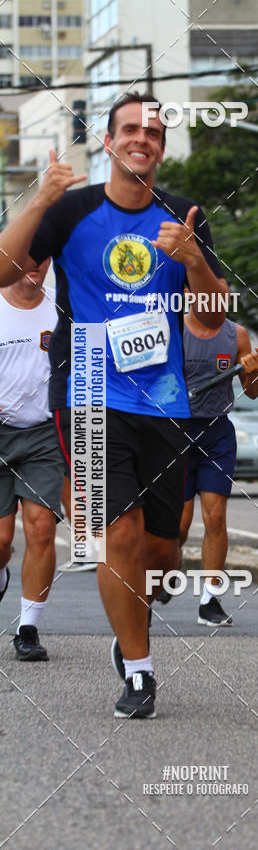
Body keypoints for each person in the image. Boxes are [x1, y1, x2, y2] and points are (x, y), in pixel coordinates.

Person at [0, 92, 229, 718]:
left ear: (161, 148)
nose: (141, 139)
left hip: (164, 401)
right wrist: (39, 199)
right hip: (89, 394)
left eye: (153, 132)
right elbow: (4, 270)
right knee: (115, 533)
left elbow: (212, 319)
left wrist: (194, 262)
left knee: (161, 552)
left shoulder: (185, 214)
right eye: (130, 129)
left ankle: (131, 628)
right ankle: (139, 670)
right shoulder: (71, 210)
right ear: (108, 141)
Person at [179, 312, 258, 626]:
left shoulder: (236, 335)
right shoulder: (174, 328)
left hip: (217, 434)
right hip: (178, 432)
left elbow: (253, 390)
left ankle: (209, 600)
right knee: (179, 526)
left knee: (215, 517)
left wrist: (253, 373)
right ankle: (161, 574)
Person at [0, 258, 64, 661]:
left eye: (40, 256)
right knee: (1, 541)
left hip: (44, 434)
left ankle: (28, 628)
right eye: (24, 256)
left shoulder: (63, 309)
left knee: (41, 528)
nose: (32, 265)